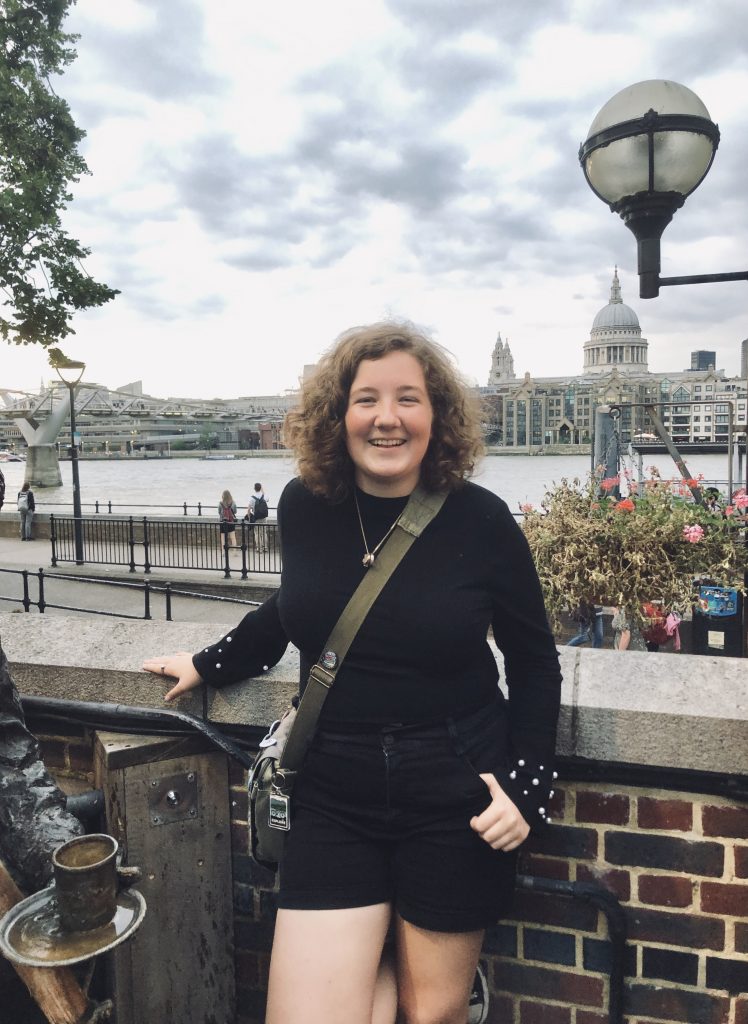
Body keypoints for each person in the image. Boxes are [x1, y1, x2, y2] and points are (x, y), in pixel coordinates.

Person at [143, 322, 562, 1024]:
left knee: (432, 1014)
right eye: (367, 399)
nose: (388, 418)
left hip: (455, 787)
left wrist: (526, 787)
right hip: (335, 786)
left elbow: (535, 660)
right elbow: (297, 605)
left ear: (438, 417)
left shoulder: (484, 521)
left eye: (409, 399)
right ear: (340, 415)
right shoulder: (304, 506)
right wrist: (210, 663)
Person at [247, 482, 269, 553]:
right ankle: (265, 547)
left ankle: (259, 549)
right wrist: (262, 490)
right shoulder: (264, 496)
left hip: (256, 517)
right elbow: (267, 499)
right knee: (264, 532)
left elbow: (249, 509)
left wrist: (249, 516)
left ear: (254, 488)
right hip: (263, 517)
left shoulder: (252, 498)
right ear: (260, 488)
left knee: (257, 533)